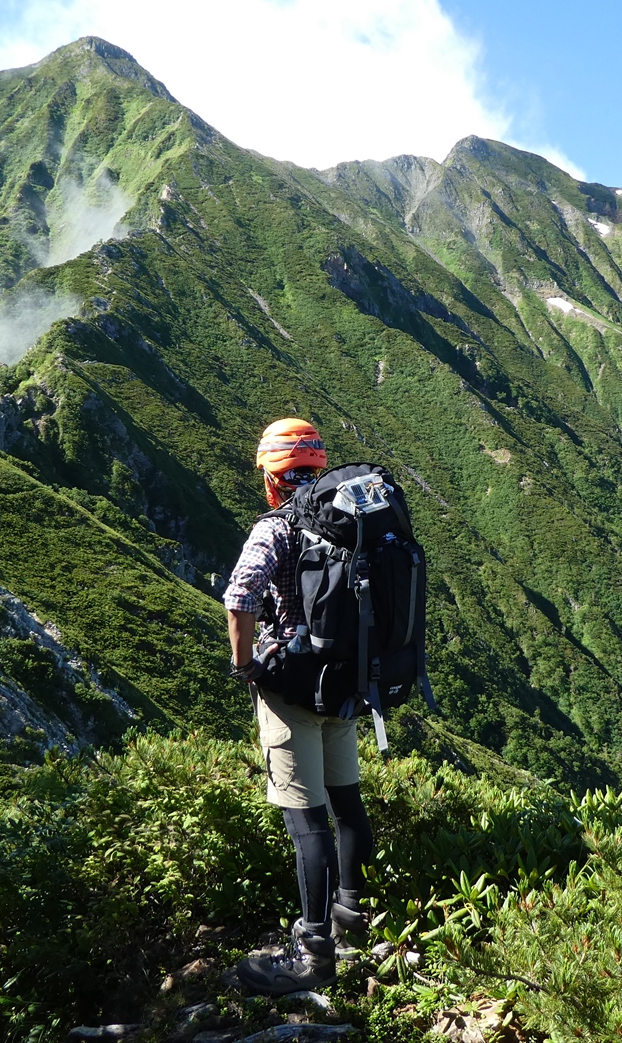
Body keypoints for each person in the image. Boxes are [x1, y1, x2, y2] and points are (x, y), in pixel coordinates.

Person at [223, 418, 373, 994]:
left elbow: (240, 597)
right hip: (345, 686)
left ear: (271, 476)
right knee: (347, 806)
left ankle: (314, 955)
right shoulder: (350, 518)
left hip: (291, 691)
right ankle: (351, 925)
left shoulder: (276, 527)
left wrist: (246, 667)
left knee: (306, 822)